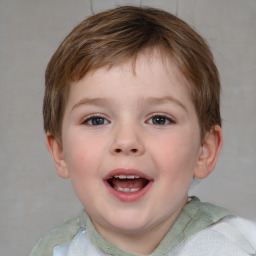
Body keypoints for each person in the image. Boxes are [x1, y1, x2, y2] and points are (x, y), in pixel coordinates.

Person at [30, 5, 256, 256]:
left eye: (159, 119)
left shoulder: (238, 247)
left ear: (204, 151)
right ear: (60, 152)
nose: (126, 141)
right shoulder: (54, 251)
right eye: (96, 120)